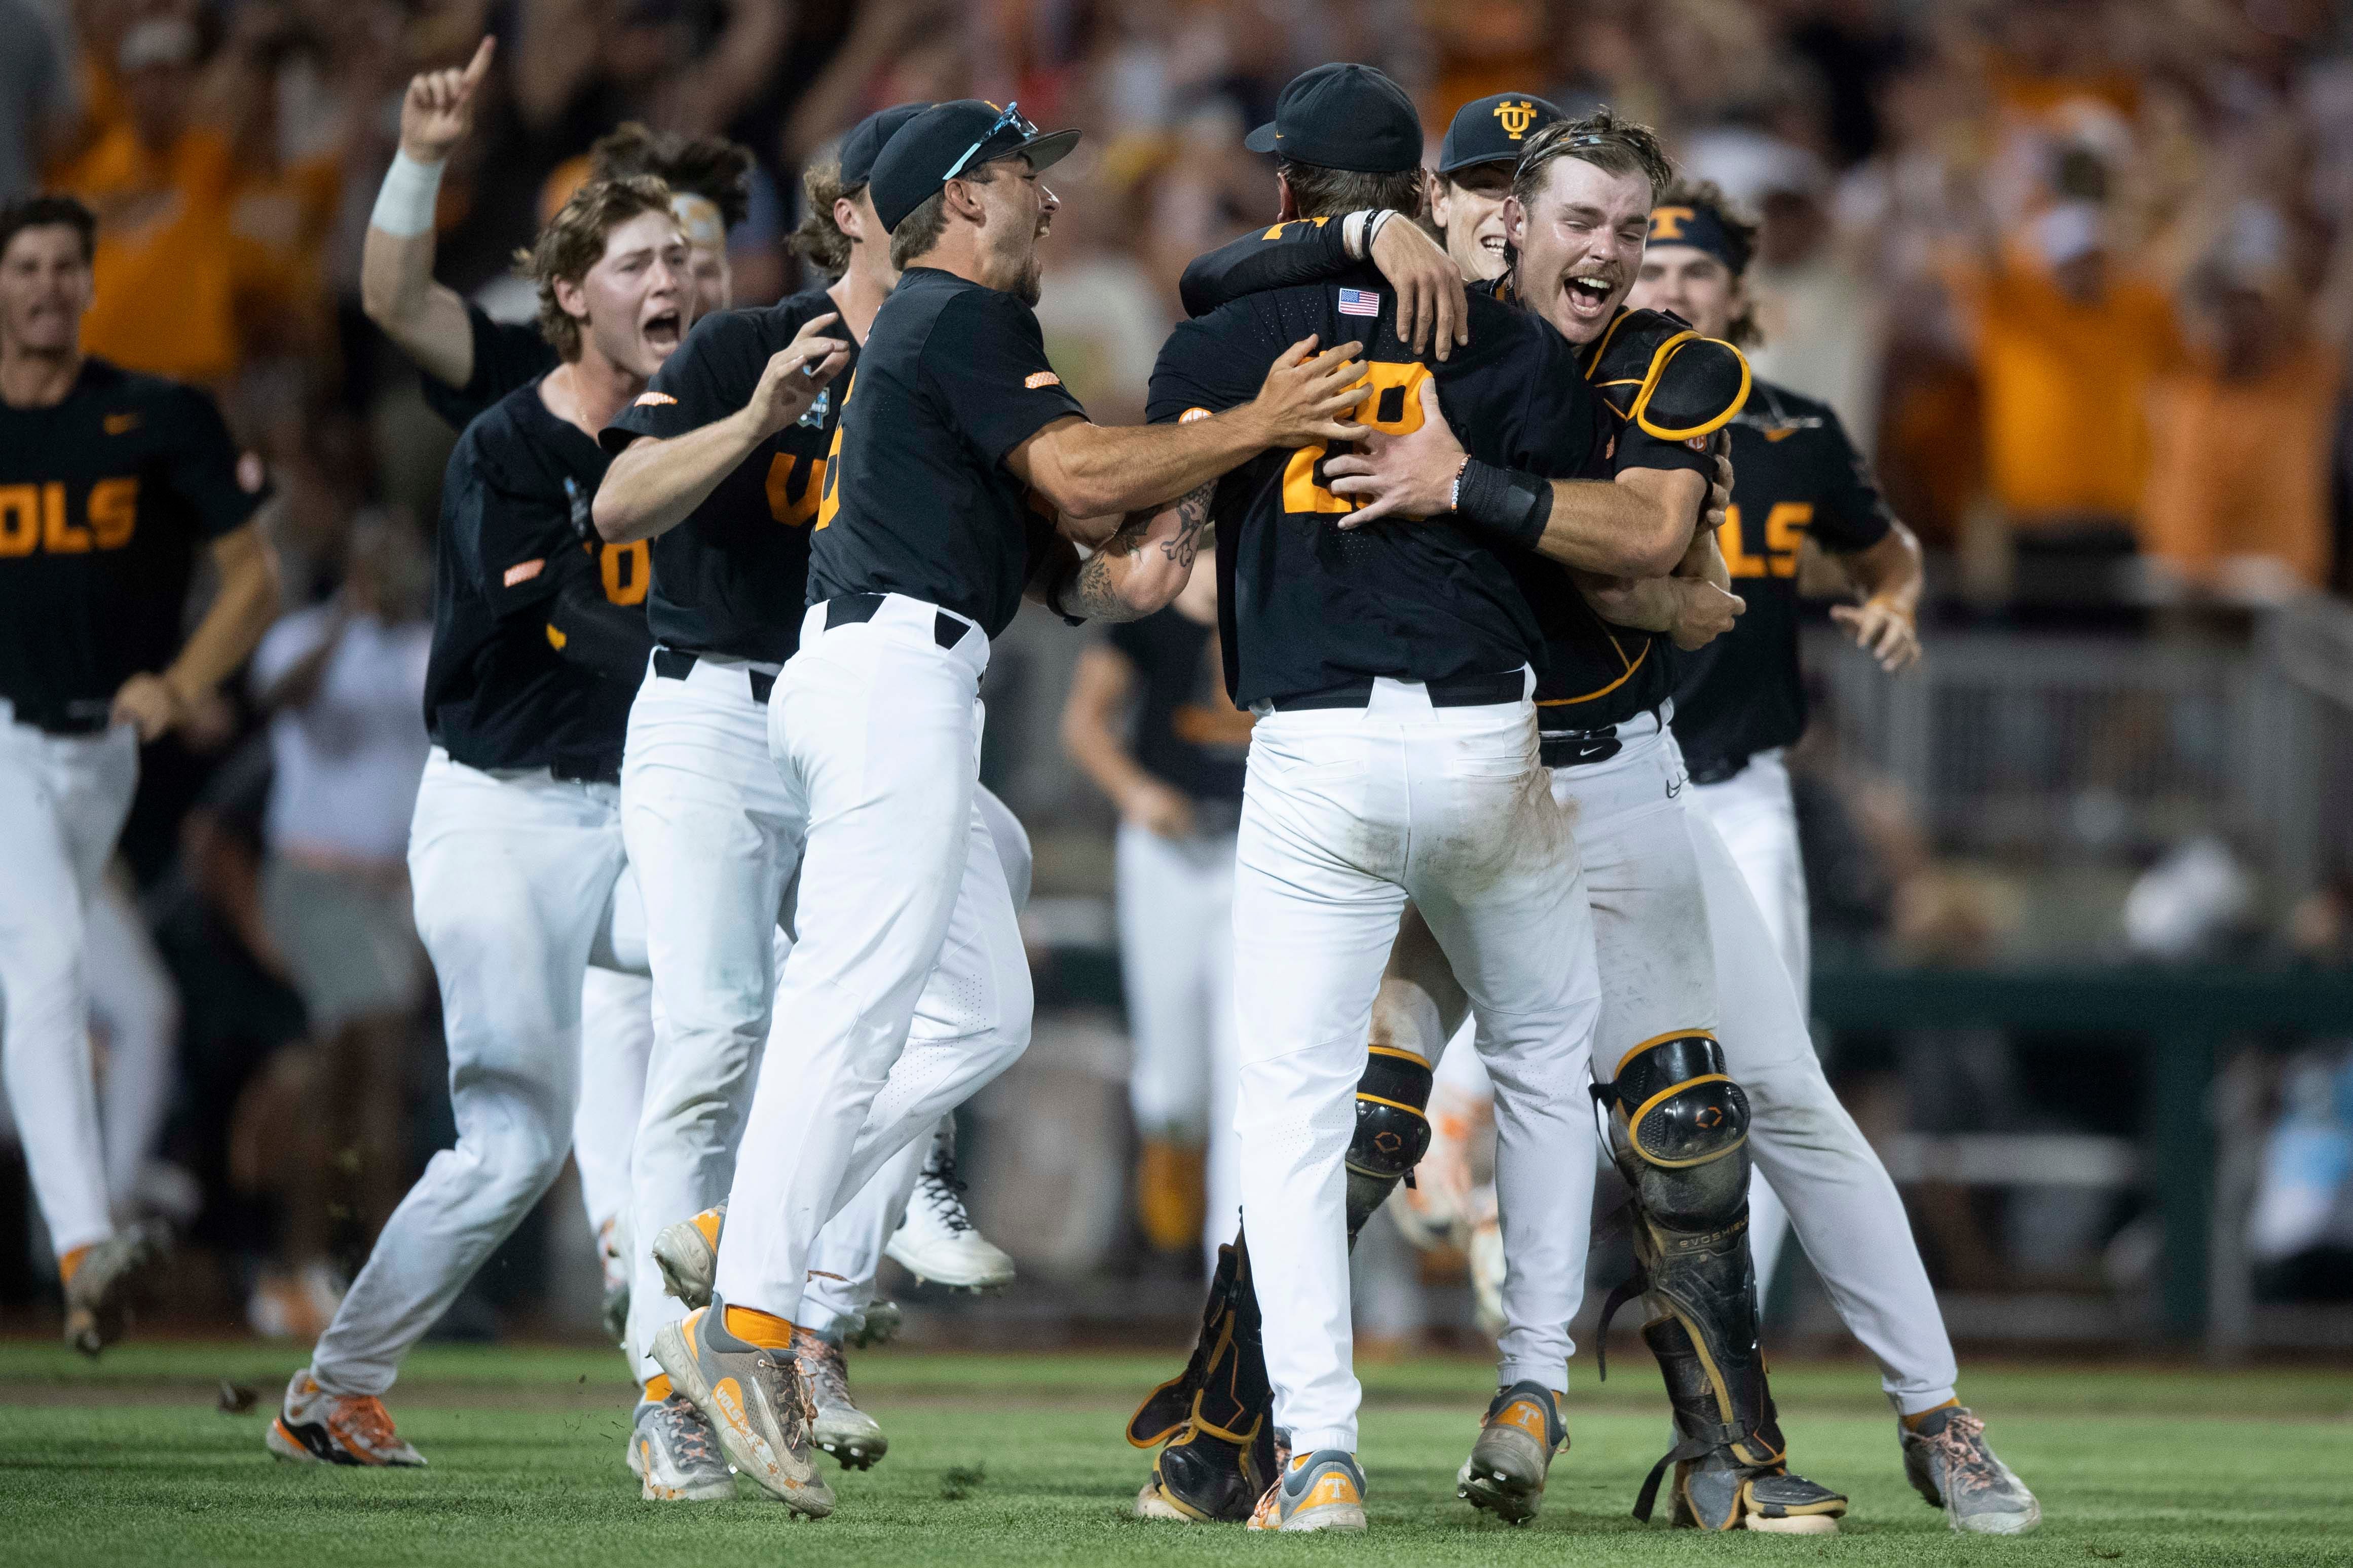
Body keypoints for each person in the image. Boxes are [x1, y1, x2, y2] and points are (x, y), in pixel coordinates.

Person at [643, 95, 1374, 1518]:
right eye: (1029, 179)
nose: (1051, 201)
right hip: (887, 682)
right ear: (968, 199)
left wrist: (1162, 543)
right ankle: (744, 1318)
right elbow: (1083, 469)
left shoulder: (941, 344)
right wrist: (1256, 420)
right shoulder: (954, 312)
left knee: (981, 1009)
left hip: (900, 672)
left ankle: (746, 1235)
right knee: (851, 1005)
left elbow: (1089, 556)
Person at [265, 174, 731, 1477]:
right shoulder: (511, 447)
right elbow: (554, 628)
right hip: (501, 819)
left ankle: (682, 1371)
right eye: (636, 262)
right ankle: (334, 1388)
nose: (669, 283)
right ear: (570, 295)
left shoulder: (688, 432)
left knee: (741, 1005)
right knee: (513, 1142)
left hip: (632, 817)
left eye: (679, 262)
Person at [1624, 181, 2039, 1535]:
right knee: (1428, 1103)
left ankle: (1926, 1412)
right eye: (1630, 252)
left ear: (1741, 296)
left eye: (1678, 260)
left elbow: (1881, 550)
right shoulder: (1534, 388)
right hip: (1511, 787)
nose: (1654, 280)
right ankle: (1336, 1415)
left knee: (1775, 1096)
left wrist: (1889, 599)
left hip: (1706, 787)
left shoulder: (1782, 431)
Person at [0, 192, 281, 1353]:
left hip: (100, 750)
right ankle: (79, 1243)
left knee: (75, 987)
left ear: (90, 283)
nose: (47, 285)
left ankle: (77, 1235)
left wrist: (180, 680)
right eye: (25, 266)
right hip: (4, 735)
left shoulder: (157, 416)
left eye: (67, 265)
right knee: (52, 967)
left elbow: (251, 577)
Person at [1060, 558, 1248, 1267]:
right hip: (1165, 851)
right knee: (1172, 1083)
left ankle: (1225, 1290)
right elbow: (1083, 725)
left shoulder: (1285, 597)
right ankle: (1170, 1137)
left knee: (1246, 1069)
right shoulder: (1155, 600)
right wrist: (1135, 793)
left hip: (1255, 851)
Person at [1423, 93, 1566, 283]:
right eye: (1488, 186)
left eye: (1532, 192)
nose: (1509, 212)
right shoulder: (1389, 306)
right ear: (1440, 199)